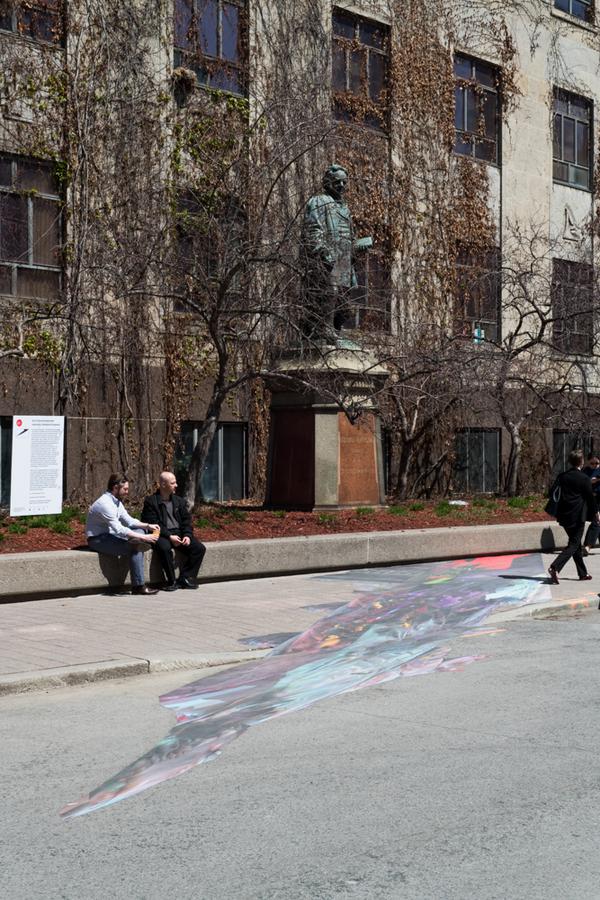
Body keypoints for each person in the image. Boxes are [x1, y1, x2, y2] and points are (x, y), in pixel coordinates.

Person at [301, 164, 371, 339]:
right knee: (330, 292)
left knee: (343, 297)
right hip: (328, 257)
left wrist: (358, 245)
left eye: (344, 182)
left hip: (344, 257)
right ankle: (323, 329)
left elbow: (348, 235)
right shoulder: (319, 201)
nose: (341, 186)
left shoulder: (345, 209)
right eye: (337, 182)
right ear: (327, 183)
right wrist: (323, 252)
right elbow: (313, 230)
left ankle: (336, 332)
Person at [86, 473, 159, 595]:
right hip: (98, 539)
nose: (127, 492)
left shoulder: (116, 502)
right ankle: (138, 586)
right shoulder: (105, 504)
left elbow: (129, 520)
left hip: (111, 535)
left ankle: (136, 542)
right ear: (115, 487)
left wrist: (147, 526)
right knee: (135, 547)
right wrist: (144, 537)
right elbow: (119, 529)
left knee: (139, 531)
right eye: (125, 489)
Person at [141, 471, 206, 591]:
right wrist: (170, 536)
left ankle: (185, 578)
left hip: (179, 533)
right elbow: (154, 523)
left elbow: (186, 521)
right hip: (161, 534)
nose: (176, 485)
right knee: (165, 548)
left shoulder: (179, 501)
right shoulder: (151, 501)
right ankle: (171, 581)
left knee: (199, 548)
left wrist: (187, 535)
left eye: (175, 482)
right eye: (173, 483)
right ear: (163, 484)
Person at [548, 449, 600, 584]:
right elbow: (590, 499)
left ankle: (582, 573)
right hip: (577, 516)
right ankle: (555, 567)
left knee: (575, 543)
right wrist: (596, 513)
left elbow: (551, 492)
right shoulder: (584, 478)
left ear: (570, 462)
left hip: (564, 516)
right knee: (574, 543)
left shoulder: (562, 476)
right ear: (582, 462)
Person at [582, 452, 600, 555]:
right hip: (590, 499)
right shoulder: (586, 471)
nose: (594, 465)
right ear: (588, 462)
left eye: (597, 463)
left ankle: (588, 546)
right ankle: (587, 545)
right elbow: (581, 483)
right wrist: (590, 481)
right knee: (597, 521)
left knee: (597, 521)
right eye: (592, 463)